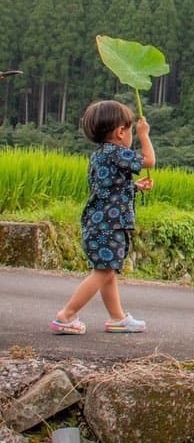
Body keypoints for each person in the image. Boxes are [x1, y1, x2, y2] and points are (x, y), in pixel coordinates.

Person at [52, 100, 155, 335]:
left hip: (97, 223)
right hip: (110, 225)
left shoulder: (99, 155)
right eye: (130, 130)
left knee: (108, 270)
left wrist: (135, 187)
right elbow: (149, 161)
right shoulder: (118, 152)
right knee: (104, 272)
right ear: (121, 132)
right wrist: (144, 135)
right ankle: (66, 315)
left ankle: (117, 317)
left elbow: (109, 189)